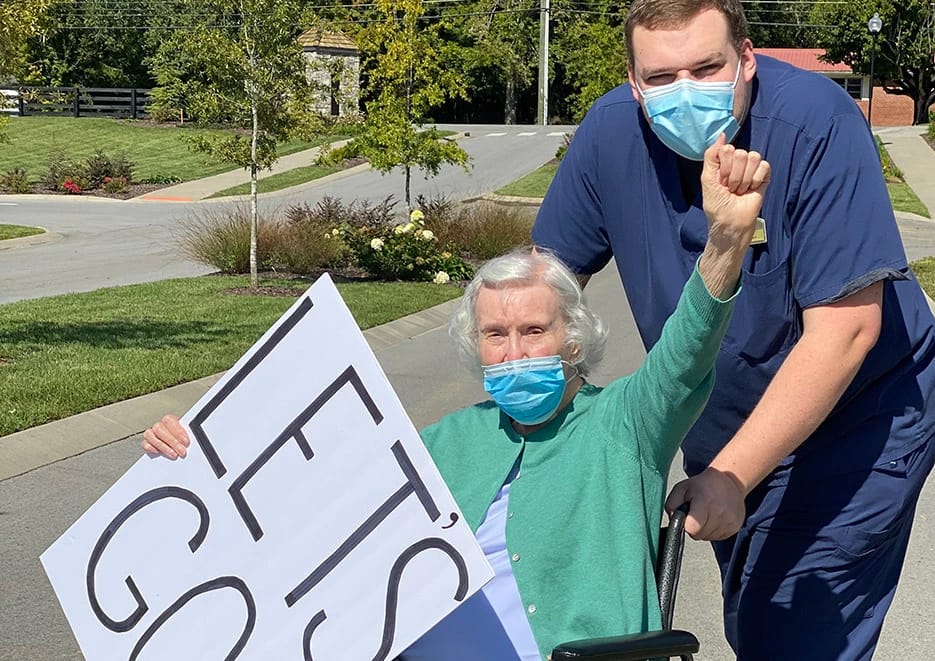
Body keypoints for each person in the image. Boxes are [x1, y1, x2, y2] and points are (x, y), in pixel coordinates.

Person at [142, 139, 769, 659]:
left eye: (533, 331)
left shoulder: (624, 425)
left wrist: (726, 241)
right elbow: (302, 506)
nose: (514, 351)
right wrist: (199, 456)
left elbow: (687, 350)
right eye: (496, 334)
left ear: (573, 339)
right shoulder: (444, 441)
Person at [531, 0, 935, 659]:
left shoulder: (813, 125)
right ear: (635, 82)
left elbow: (845, 332)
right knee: (753, 617)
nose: (685, 91)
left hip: (856, 427)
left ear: (747, 59)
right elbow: (540, 288)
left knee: (788, 638)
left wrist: (731, 475)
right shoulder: (611, 134)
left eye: (706, 66)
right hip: (723, 428)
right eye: (662, 78)